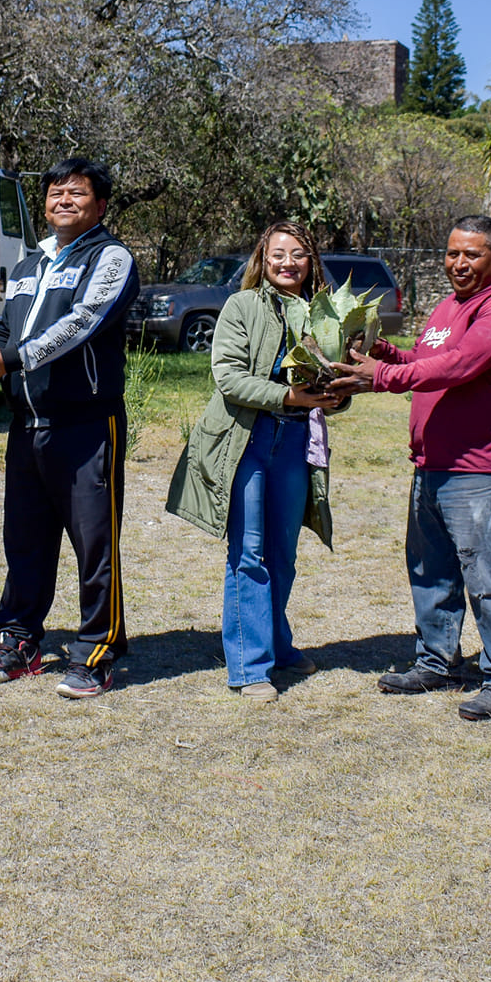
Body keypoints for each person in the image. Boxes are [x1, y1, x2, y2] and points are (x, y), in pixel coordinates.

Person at [334, 215, 491, 721]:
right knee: (431, 572)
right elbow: (423, 358)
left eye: (472, 254)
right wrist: (379, 350)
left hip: (478, 470)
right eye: (452, 253)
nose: (459, 263)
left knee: (487, 577)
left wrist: (381, 375)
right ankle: (437, 661)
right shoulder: (448, 307)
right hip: (431, 464)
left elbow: (458, 365)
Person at [0, 156, 140, 699]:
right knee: (25, 542)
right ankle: (18, 641)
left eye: (76, 194)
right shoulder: (32, 261)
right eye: (55, 193)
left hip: (86, 424)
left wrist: (6, 361)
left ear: (99, 205)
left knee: (94, 545)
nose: (63, 201)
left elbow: (80, 324)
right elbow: (7, 327)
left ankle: (96, 655)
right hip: (27, 424)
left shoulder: (111, 257)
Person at [165, 221, 343, 702]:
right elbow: (228, 377)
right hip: (246, 440)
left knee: (283, 554)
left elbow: (338, 384)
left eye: (299, 254)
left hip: (296, 444)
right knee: (248, 553)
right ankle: (249, 667)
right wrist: (290, 395)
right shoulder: (241, 306)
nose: (288, 263)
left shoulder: (324, 314)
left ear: (312, 262)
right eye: (278, 254)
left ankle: (279, 645)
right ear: (262, 262)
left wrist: (333, 396)